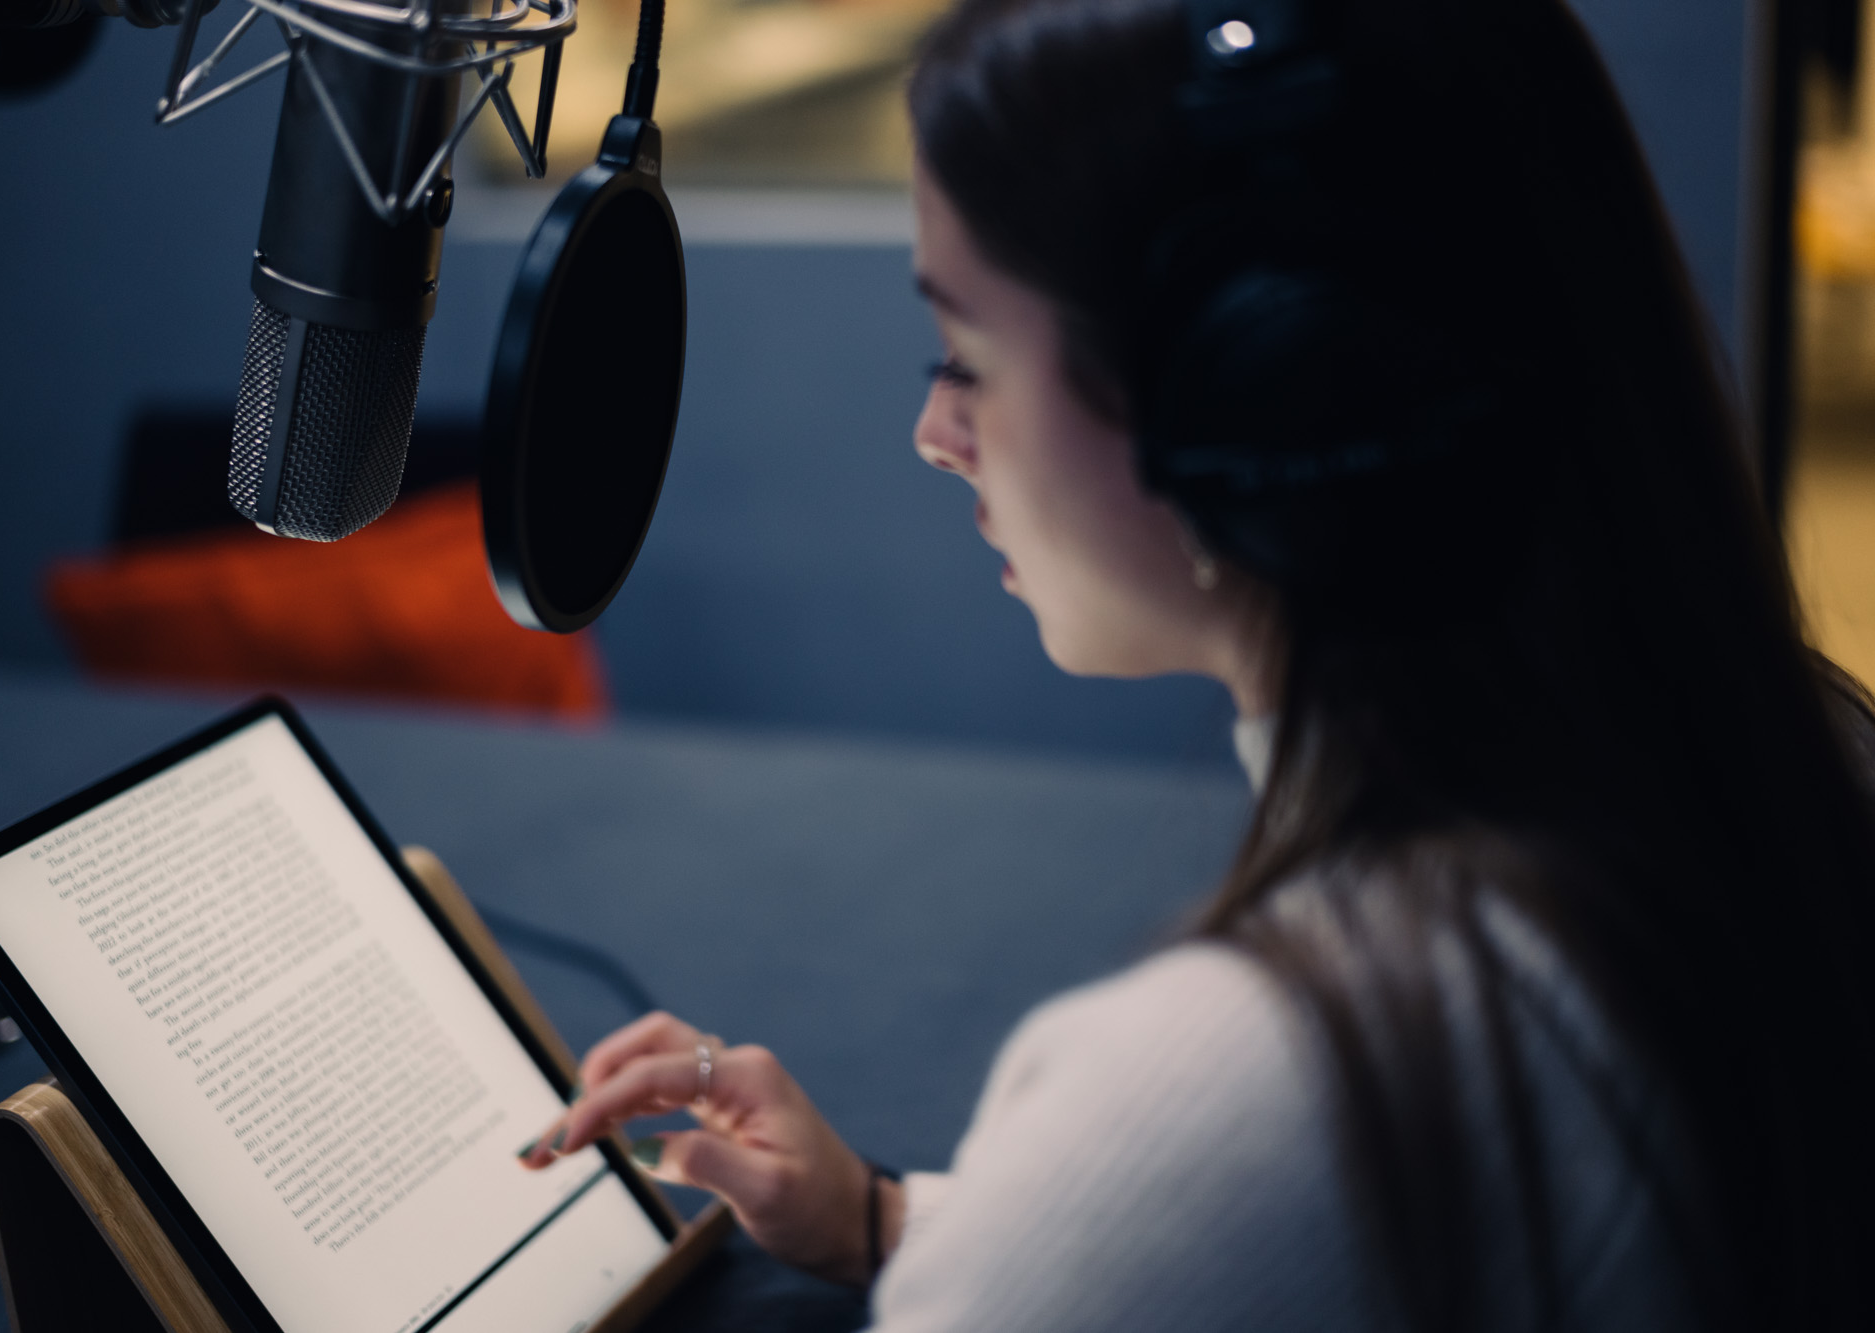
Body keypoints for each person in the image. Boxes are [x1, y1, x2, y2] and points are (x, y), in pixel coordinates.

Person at [519, 0, 1875, 1328]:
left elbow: (1240, 1191)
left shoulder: (1244, 1079)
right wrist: (905, 1223)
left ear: (1260, 394)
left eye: (966, 356)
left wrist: (1059, 1225)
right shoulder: (1789, 753)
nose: (936, 433)